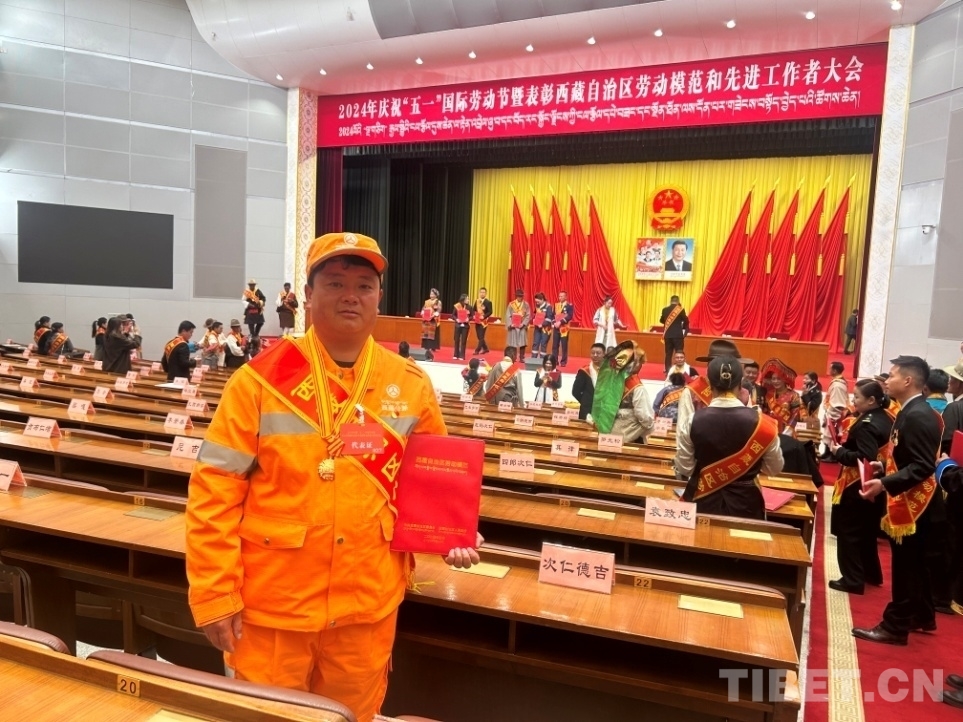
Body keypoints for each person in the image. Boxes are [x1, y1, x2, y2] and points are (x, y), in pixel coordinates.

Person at [186, 232, 480, 722]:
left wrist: (451, 529)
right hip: (274, 609)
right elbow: (213, 492)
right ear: (308, 295)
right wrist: (215, 594)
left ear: (379, 297)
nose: (351, 296)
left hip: (367, 607)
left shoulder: (410, 384)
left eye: (364, 285)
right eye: (336, 283)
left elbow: (432, 481)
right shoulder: (257, 382)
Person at [853, 356, 945, 646]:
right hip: (915, 500)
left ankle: (895, 626)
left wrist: (883, 483)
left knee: (907, 567)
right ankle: (922, 615)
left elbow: (922, 466)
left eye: (892, 376)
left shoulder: (917, 415)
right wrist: (883, 467)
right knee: (916, 565)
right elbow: (906, 455)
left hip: (918, 506)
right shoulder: (910, 410)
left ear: (908, 381)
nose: (886, 381)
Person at [678, 356, 783, 520]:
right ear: (740, 384)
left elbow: (685, 467)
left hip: (703, 501)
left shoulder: (692, 421)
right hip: (747, 504)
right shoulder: (763, 424)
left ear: (710, 385)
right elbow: (774, 469)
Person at [828, 379, 895, 594]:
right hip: (875, 483)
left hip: (857, 484)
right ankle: (870, 573)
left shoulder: (867, 424)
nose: (853, 401)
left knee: (849, 533)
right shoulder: (886, 417)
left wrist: (840, 452)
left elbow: (865, 457)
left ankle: (852, 579)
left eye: (857, 397)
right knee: (867, 532)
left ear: (872, 400)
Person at [591, 341, 653, 444]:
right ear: (634, 364)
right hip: (627, 438)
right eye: (640, 363)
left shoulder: (608, 381)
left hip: (605, 435)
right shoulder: (637, 387)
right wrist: (650, 427)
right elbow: (644, 416)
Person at [760, 358, 807, 436]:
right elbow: (764, 411)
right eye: (773, 379)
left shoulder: (793, 395)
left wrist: (787, 432)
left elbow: (796, 415)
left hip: (787, 432)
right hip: (770, 429)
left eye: (779, 379)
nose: (776, 381)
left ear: (785, 380)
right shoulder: (768, 394)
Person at [820, 362, 851, 459]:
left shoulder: (838, 385)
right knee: (828, 434)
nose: (828, 370)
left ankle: (833, 455)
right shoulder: (837, 382)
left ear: (834, 370)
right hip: (830, 412)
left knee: (833, 435)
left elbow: (838, 404)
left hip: (835, 414)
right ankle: (827, 452)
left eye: (830, 368)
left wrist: (832, 417)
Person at [571, 343, 604, 420]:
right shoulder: (584, 371)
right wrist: (585, 401)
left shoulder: (609, 372)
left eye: (598, 353)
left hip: (604, 410)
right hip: (587, 410)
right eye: (593, 353)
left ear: (604, 354)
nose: (595, 355)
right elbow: (575, 391)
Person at [659, 295, 688, 372]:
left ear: (670, 301)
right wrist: (683, 327)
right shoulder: (680, 309)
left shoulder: (665, 310)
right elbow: (686, 320)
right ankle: (679, 369)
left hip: (668, 335)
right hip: (678, 335)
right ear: (678, 301)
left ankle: (668, 370)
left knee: (668, 354)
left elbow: (661, 320)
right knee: (679, 352)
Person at [505, 290, 531, 362]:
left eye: (521, 296)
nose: (520, 297)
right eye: (519, 296)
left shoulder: (526, 304)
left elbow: (528, 315)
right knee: (513, 342)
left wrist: (523, 324)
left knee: (523, 342)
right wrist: (511, 324)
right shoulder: (511, 304)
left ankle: (522, 357)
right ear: (516, 296)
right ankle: (513, 357)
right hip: (513, 326)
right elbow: (508, 315)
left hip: (522, 326)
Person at [551, 290, 575, 367]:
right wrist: (554, 323)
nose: (560, 297)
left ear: (566, 297)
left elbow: (570, 316)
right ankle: (555, 361)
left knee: (564, 346)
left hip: (564, 328)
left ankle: (563, 361)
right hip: (556, 328)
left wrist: (560, 322)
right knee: (555, 345)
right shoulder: (556, 305)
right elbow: (553, 315)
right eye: (559, 296)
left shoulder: (569, 305)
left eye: (562, 296)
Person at [419, 288, 441, 362]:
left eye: (432, 294)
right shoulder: (427, 301)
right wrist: (423, 313)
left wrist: (433, 315)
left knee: (431, 336)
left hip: (433, 320)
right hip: (426, 320)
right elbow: (423, 309)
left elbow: (438, 310)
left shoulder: (438, 302)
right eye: (430, 293)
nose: (431, 295)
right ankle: (424, 348)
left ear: (436, 295)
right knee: (425, 335)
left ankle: (430, 350)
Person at [530, 292, 553, 359]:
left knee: (543, 344)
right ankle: (533, 359)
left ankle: (542, 360)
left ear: (542, 299)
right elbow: (535, 315)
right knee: (535, 343)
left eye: (538, 301)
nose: (537, 303)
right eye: (536, 302)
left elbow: (549, 319)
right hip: (537, 328)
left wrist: (542, 324)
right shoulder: (537, 306)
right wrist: (534, 319)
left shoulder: (548, 306)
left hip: (546, 329)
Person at [471, 287, 493, 355]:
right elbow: (474, 310)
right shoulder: (477, 301)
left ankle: (477, 350)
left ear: (486, 293)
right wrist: (474, 315)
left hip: (484, 322)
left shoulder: (488, 302)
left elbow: (490, 312)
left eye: (483, 292)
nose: (482, 293)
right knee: (479, 336)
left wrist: (484, 316)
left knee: (481, 336)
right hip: (477, 320)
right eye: (481, 292)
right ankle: (486, 348)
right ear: (479, 293)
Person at [451, 293, 471, 361]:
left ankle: (462, 356)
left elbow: (472, 316)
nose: (468, 300)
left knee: (463, 341)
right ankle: (455, 355)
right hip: (458, 325)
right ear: (463, 299)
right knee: (456, 340)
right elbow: (453, 315)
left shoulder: (469, 307)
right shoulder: (457, 306)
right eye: (467, 299)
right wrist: (456, 319)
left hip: (465, 326)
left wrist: (468, 319)